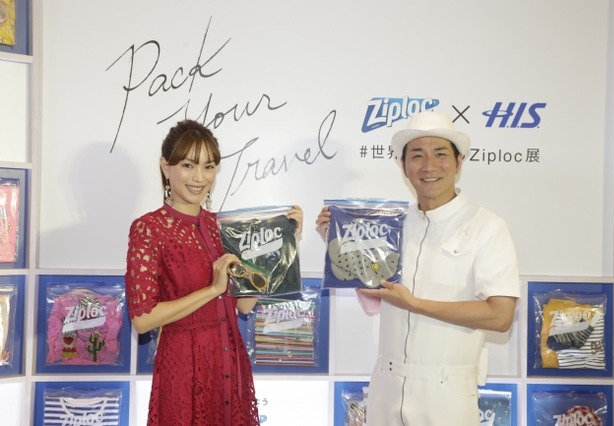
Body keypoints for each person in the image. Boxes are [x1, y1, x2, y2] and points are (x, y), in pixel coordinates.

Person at [316, 110, 520, 425]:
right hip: (385, 389)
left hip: (447, 395)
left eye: (440, 154)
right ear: (403, 165)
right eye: (417, 155)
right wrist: (337, 241)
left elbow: (500, 315)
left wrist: (415, 304)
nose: (429, 165)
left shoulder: (487, 226)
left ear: (459, 161)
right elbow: (375, 296)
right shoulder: (391, 224)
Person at [124, 119, 303, 426]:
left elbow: (244, 305)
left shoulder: (225, 227)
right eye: (188, 165)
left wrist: (284, 241)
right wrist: (212, 290)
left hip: (230, 364)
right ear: (166, 167)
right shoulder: (149, 229)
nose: (199, 177)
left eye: (208, 167)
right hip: (184, 368)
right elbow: (143, 319)